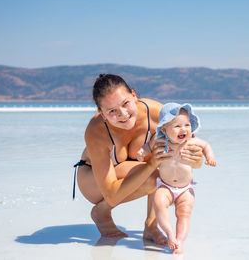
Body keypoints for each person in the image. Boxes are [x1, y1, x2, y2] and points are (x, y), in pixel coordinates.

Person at [74, 74, 204, 245]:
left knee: (163, 162)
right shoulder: (96, 131)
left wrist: (197, 160)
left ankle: (151, 227)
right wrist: (151, 164)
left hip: (134, 170)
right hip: (93, 180)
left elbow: (191, 156)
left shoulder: (158, 114)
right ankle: (101, 211)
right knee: (155, 173)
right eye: (112, 111)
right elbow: (111, 195)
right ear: (102, 114)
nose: (123, 114)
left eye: (126, 103)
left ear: (134, 95)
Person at [137, 103, 217, 254]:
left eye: (187, 125)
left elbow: (206, 145)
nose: (184, 129)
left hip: (186, 188)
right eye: (177, 126)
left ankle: (179, 241)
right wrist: (142, 152)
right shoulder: (160, 142)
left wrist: (210, 157)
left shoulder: (191, 141)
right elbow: (148, 146)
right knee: (159, 203)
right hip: (165, 186)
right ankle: (170, 234)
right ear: (164, 129)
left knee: (184, 213)